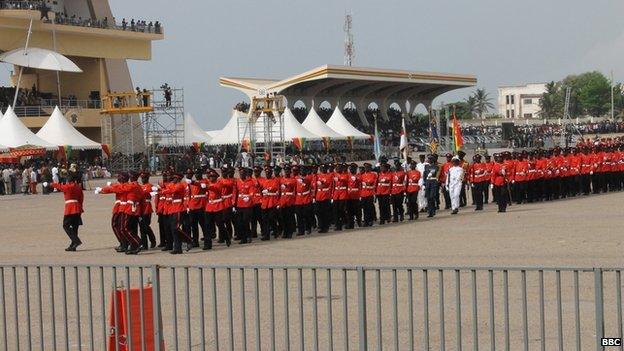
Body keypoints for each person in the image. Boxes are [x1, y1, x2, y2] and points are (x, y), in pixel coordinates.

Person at [46, 173, 84, 251]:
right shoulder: (78, 187)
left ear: (68, 181)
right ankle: (73, 245)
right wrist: (80, 208)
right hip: (77, 207)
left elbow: (59, 186)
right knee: (74, 227)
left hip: (70, 207)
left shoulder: (68, 186)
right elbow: (81, 198)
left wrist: (49, 184)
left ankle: (76, 241)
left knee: (65, 225)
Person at [235, 167, 256, 244]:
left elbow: (252, 192)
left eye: (243, 173)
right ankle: (243, 237)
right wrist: (234, 203)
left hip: (247, 204)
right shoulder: (237, 182)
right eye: (240, 173)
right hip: (240, 203)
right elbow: (235, 193)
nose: (241, 175)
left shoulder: (250, 182)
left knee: (246, 221)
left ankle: (248, 236)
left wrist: (249, 197)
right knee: (240, 222)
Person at [259, 166, 280, 240]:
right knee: (265, 219)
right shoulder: (263, 181)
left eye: (269, 172)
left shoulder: (275, 180)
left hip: (272, 201)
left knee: (271, 218)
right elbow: (260, 190)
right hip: (265, 202)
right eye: (266, 172)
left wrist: (268, 190)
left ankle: (275, 230)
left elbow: (275, 188)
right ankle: (266, 235)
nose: (267, 174)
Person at [139, 172, 157, 249]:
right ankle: (144, 244)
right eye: (142, 178)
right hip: (140, 208)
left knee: (145, 226)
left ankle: (152, 239)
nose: (143, 179)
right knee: (141, 227)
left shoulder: (150, 186)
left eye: (144, 178)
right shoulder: (140, 186)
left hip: (147, 207)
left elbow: (153, 192)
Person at [359, 163, 377, 227]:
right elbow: (360, 185)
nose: (366, 168)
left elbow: (374, 184)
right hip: (363, 194)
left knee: (370, 208)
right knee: (365, 208)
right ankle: (366, 221)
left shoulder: (373, 175)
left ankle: (370, 220)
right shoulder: (362, 175)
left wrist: (370, 186)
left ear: (370, 168)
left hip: (370, 193)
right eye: (365, 167)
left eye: (367, 167)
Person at [345, 163, 361, 229]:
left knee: (357, 210)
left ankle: (359, 222)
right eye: (350, 168)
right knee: (349, 211)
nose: (351, 169)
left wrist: (356, 179)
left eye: (353, 168)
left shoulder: (358, 175)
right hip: (349, 196)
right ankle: (350, 224)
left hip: (356, 195)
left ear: (355, 169)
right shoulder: (347, 175)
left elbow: (360, 182)